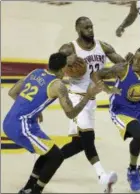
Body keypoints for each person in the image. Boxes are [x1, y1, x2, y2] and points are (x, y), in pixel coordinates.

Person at [3, 52, 103, 194]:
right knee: (56, 157)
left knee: (48, 152)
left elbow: (13, 92)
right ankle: (36, 191)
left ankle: (28, 188)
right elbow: (71, 114)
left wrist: (34, 109)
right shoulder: (58, 86)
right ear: (63, 69)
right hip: (22, 126)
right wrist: (88, 96)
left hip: (10, 120)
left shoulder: (36, 72)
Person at [58, 16, 127, 192]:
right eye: (86, 28)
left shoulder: (103, 46)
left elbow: (121, 65)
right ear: (78, 30)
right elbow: (54, 67)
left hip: (91, 99)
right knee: (89, 138)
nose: (90, 30)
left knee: (79, 144)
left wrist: (128, 63)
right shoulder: (69, 48)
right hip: (76, 97)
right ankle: (102, 176)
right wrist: (67, 63)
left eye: (91, 27)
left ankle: (46, 161)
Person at [96, 47, 140, 193]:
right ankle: (132, 171)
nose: (135, 61)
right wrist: (108, 90)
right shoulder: (123, 69)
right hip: (121, 109)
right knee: (139, 135)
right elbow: (96, 75)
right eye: (135, 57)